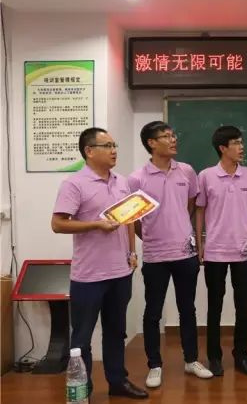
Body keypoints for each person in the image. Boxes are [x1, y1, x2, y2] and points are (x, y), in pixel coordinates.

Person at [51, 127, 148, 399]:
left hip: (120, 272)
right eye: (107, 146)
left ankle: (118, 382)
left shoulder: (122, 182)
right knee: (82, 338)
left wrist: (132, 252)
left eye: (115, 145)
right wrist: (96, 224)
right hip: (89, 276)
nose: (114, 150)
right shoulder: (74, 184)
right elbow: (58, 224)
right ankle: (83, 389)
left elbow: (128, 220)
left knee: (116, 332)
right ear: (89, 151)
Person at [128, 121, 213, 388]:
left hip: (185, 252)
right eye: (166, 136)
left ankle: (191, 360)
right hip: (155, 255)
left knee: (188, 308)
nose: (173, 139)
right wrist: (153, 235)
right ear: (152, 143)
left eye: (173, 135)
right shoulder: (137, 178)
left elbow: (189, 204)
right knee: (153, 311)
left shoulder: (186, 171)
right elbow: (133, 219)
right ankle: (154, 365)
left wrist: (177, 227)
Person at [195, 125, 247, 377]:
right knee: (214, 306)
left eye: (241, 142)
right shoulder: (206, 176)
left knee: (242, 307)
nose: (241, 147)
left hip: (244, 250)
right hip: (215, 250)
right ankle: (214, 357)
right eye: (236, 143)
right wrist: (200, 244)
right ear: (223, 148)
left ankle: (241, 355)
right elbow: (199, 211)